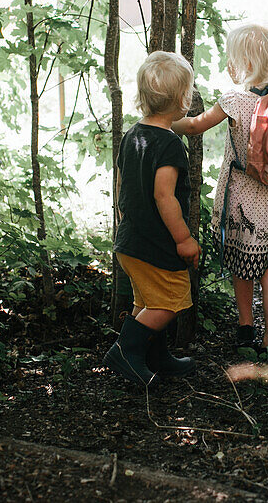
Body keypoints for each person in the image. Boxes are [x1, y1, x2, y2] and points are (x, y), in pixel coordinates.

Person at [173, 22, 268, 353]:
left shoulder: (235, 101)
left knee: (242, 263)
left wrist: (164, 122)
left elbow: (195, 126)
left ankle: (245, 328)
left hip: (244, 200)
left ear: (243, 63)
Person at [104, 51, 200, 388]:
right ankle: (125, 352)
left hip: (130, 241)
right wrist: (184, 239)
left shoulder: (134, 135)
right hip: (155, 244)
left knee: (146, 302)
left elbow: (124, 182)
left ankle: (155, 356)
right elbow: (164, 196)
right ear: (183, 99)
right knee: (170, 301)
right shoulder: (170, 145)